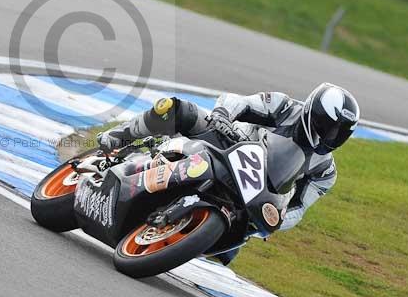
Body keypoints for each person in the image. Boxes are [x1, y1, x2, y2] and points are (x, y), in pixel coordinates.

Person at [97, 82, 359, 264]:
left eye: (339, 133)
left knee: (228, 252)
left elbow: (300, 208)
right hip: (228, 143)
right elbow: (239, 102)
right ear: (314, 112)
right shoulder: (285, 107)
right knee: (176, 109)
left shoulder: (325, 170)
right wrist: (223, 115)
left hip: (256, 193)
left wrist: (277, 219)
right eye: (327, 126)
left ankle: (179, 230)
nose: (330, 136)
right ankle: (120, 136)